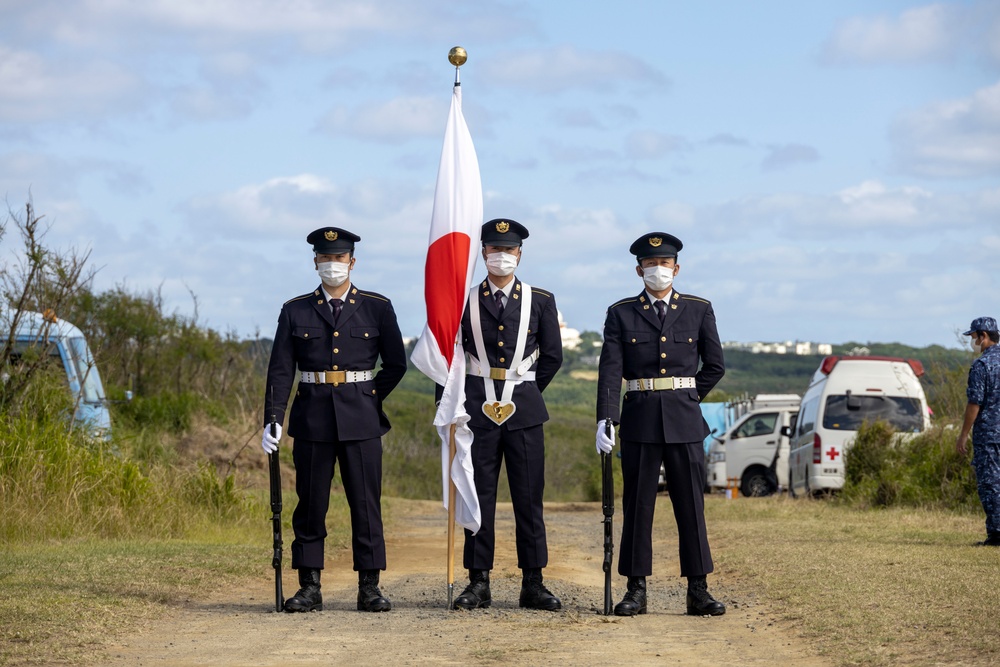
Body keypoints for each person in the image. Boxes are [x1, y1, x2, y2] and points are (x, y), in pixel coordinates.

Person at [261, 226, 407, 612]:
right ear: (315, 263)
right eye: (325, 258)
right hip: (312, 419)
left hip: (362, 418)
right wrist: (272, 418)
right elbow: (280, 370)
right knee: (309, 504)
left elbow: (396, 364)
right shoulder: (295, 310)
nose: (332, 265)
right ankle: (309, 586)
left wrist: (369, 395)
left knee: (365, 503)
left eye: (339, 258)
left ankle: (370, 587)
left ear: (352, 262)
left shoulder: (378, 306)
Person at [595, 232, 727, 617]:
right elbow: (611, 370)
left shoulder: (699, 309)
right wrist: (607, 417)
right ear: (639, 270)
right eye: (650, 265)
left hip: (685, 420)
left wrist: (687, 397)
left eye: (664, 263)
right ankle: (636, 590)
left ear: (676, 268)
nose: (658, 270)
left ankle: (698, 590)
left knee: (691, 506)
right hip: (639, 418)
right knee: (638, 506)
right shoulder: (620, 313)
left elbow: (715, 366)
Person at [450, 218, 564, 611]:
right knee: (476, 497)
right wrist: (446, 407)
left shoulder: (541, 300)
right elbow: (448, 359)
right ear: (483, 253)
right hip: (475, 411)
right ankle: (478, 582)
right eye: (494, 250)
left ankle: (533, 582)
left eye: (509, 250)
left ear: (520, 253)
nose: (502, 256)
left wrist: (525, 391)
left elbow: (552, 357)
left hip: (524, 411)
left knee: (529, 499)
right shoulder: (462, 300)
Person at [956, 316, 1000, 547]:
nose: (973, 342)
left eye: (974, 337)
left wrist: (963, 434)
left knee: (990, 483)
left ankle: (997, 534)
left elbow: (975, 403)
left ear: (983, 336)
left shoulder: (982, 365)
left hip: (989, 435)